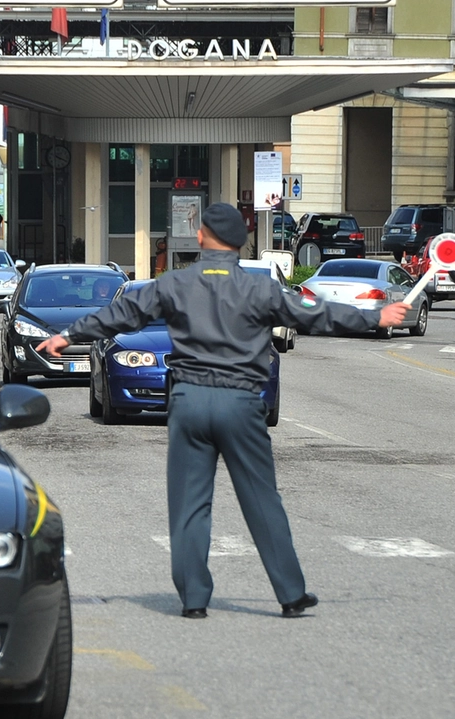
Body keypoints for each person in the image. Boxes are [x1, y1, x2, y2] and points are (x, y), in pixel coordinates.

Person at [36, 203, 407, 619]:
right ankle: (290, 594)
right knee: (262, 499)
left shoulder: (174, 283)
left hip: (189, 401)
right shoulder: (260, 289)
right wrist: (375, 317)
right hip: (242, 402)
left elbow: (122, 314)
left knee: (190, 503)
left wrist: (68, 335)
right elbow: (314, 315)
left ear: (201, 237)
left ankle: (194, 600)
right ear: (239, 244)